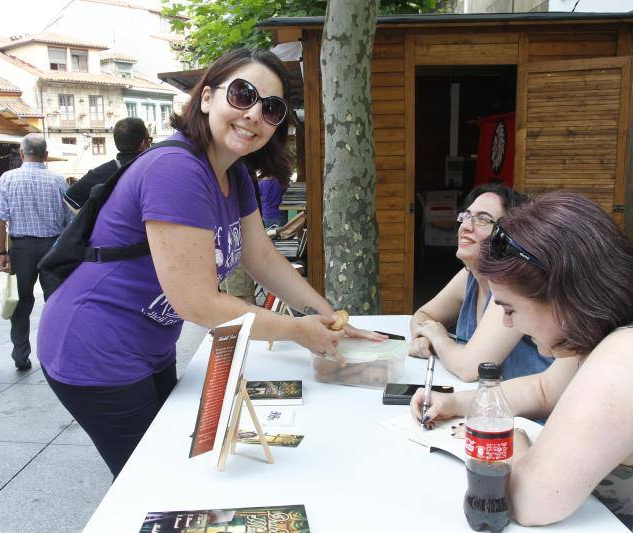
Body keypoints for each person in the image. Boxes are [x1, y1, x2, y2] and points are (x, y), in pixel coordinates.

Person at [37, 48, 383, 478]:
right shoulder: (176, 170)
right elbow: (198, 304)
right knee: (150, 481)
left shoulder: (235, 172)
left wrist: (327, 315)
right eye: (242, 95)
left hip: (148, 344)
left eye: (272, 108)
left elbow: (261, 257)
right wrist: (299, 331)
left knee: (172, 466)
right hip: (94, 347)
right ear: (206, 98)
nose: (255, 113)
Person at [410, 190, 633, 531]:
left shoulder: (630, 355)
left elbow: (534, 502)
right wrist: (456, 402)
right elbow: (543, 390)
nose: (509, 325)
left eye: (510, 309)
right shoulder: (611, 331)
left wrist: (513, 441)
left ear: (562, 294)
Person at [408, 182, 553, 382]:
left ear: (508, 234)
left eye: (482, 219)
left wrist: (438, 337)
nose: (465, 226)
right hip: (482, 402)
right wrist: (426, 337)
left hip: (527, 410)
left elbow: (470, 368)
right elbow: (423, 315)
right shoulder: (470, 275)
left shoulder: (514, 284)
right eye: (466, 216)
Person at [0, 133, 71, 370]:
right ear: (45, 155)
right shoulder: (58, 180)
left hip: (21, 248)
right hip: (52, 247)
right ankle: (56, 353)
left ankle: (20, 354)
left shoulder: (8, 178)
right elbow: (69, 221)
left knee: (20, 302)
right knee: (55, 302)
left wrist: (2, 253)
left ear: (21, 152)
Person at [63, 117, 151, 212]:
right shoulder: (153, 166)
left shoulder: (104, 171)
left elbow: (70, 197)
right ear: (143, 143)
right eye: (149, 140)